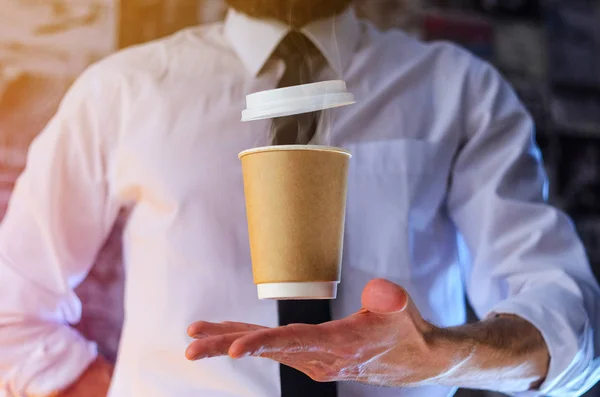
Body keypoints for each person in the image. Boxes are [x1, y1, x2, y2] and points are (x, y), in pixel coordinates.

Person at [0, 0, 599, 396]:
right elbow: (11, 312)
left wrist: (449, 352)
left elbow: (574, 330)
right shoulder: (122, 92)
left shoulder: (458, 90)